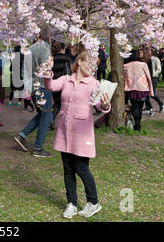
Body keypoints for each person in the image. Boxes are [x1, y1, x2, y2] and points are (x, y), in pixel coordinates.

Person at [43, 51, 111, 219]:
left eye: (95, 65)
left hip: (82, 133)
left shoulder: (94, 84)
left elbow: (100, 105)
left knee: (81, 168)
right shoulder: (67, 79)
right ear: (80, 61)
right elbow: (50, 86)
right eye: (90, 63)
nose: (93, 67)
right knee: (67, 169)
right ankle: (71, 204)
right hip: (64, 131)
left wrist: (105, 104)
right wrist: (47, 72)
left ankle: (93, 202)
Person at [13, 35, 53, 157]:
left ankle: (22, 135)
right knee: (46, 118)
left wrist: (28, 87)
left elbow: (23, 70)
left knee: (44, 115)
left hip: (33, 87)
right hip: (42, 87)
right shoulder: (45, 48)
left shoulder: (29, 50)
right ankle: (38, 148)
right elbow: (46, 69)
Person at [124, 49, 154, 131]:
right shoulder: (143, 65)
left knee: (135, 107)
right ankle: (138, 125)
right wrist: (151, 90)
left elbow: (124, 79)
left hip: (131, 89)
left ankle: (137, 125)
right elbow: (149, 77)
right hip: (142, 88)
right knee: (140, 107)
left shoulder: (126, 66)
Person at [50, 42, 72, 130]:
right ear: (62, 49)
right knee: (62, 104)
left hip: (54, 84)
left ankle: (51, 121)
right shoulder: (66, 58)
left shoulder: (52, 59)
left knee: (57, 103)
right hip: (64, 84)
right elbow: (69, 72)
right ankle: (51, 121)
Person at [143, 48, 164, 114]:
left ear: (153, 51)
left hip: (153, 78)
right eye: (147, 51)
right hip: (147, 77)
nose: (147, 52)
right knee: (146, 93)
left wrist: (152, 74)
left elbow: (159, 69)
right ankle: (147, 107)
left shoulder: (156, 59)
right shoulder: (146, 59)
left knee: (151, 93)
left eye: (149, 51)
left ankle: (161, 103)